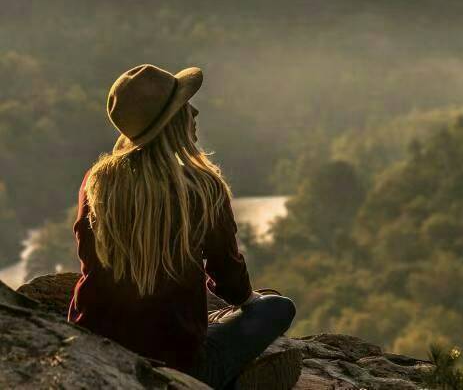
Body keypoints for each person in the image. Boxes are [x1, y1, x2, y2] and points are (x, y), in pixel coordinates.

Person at [68, 63, 300, 389]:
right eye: (185, 106)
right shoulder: (202, 188)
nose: (195, 112)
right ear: (172, 122)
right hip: (177, 367)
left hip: (96, 352)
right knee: (276, 306)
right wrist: (250, 301)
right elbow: (228, 278)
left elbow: (88, 258)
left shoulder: (97, 183)